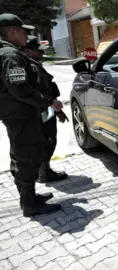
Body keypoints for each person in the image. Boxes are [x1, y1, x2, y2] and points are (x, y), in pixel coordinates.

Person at [0, 13, 64, 217]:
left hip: (19, 114)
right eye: (23, 32)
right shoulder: (10, 55)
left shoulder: (8, 52)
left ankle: (30, 196)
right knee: (27, 156)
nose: (27, 37)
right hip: (21, 115)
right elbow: (20, 88)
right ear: (12, 32)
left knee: (21, 155)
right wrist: (49, 102)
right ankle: (29, 203)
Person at [23, 35, 69, 183]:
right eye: (38, 51)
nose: (42, 54)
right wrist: (57, 111)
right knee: (48, 140)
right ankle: (44, 173)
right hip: (43, 112)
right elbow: (44, 94)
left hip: (38, 112)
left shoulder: (29, 65)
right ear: (28, 51)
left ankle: (41, 172)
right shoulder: (33, 67)